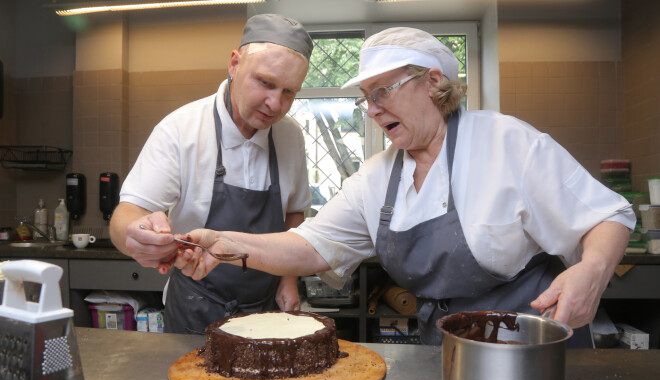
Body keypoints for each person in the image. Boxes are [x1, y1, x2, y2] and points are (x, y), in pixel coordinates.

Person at [169, 27, 635, 347]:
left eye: (381, 92)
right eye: (365, 97)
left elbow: (607, 216)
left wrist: (592, 269)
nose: (370, 109)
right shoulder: (378, 176)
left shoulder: (506, 142)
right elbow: (310, 246)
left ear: (433, 82)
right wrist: (225, 243)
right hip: (448, 347)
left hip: (535, 344)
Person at [109, 14, 314, 334]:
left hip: (264, 311)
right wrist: (136, 235)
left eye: (289, 92)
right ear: (234, 64)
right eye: (265, 83)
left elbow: (294, 212)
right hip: (194, 307)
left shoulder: (289, 137)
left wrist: (289, 281)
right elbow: (127, 213)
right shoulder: (182, 129)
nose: (275, 104)